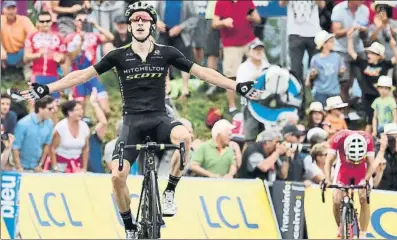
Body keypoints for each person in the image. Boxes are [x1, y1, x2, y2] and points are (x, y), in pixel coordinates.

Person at [20, 2, 260, 238]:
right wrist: (47, 88)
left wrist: (237, 85)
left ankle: (169, 192)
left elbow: (204, 72)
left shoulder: (167, 53)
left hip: (160, 119)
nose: (140, 23)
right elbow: (82, 75)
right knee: (116, 176)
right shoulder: (118, 56)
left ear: (152, 25)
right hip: (131, 123)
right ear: (131, 27)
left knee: (185, 137)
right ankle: (129, 226)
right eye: (135, 20)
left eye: (144, 19)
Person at [322, 130, 378, 238]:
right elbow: (328, 162)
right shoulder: (338, 138)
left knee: (364, 197)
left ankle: (363, 233)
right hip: (344, 169)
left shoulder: (368, 139)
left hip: (362, 170)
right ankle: (340, 227)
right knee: (336, 199)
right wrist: (328, 180)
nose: (354, 162)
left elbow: (372, 164)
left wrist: (365, 180)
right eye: (352, 159)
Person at [213, 0, 261, 114]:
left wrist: (253, 18)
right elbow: (214, 23)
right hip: (231, 44)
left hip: (249, 41)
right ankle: (232, 107)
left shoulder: (247, 1)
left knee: (263, 69)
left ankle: (261, 100)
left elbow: (258, 18)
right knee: (231, 76)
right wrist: (223, 22)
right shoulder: (221, 2)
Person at [347, 31, 397, 133]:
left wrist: (393, 47)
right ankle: (369, 139)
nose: (369, 55)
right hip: (367, 96)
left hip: (380, 96)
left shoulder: (384, 65)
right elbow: (351, 51)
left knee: (381, 118)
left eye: (372, 53)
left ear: (379, 56)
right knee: (369, 120)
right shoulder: (363, 63)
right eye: (369, 53)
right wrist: (350, 39)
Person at [66, 9, 114, 115]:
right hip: (77, 77)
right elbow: (71, 57)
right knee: (79, 113)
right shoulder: (70, 37)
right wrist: (81, 42)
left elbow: (111, 37)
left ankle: (101, 128)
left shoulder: (93, 35)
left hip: (92, 75)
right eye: (79, 20)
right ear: (75, 22)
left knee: (106, 111)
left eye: (85, 20)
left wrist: (96, 25)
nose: (82, 22)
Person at [369, 2, 397, 110]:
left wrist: (387, 25)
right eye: (380, 9)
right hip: (384, 63)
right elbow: (370, 40)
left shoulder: (395, 23)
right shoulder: (372, 26)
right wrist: (379, 27)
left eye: (384, 9)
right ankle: (389, 114)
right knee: (386, 92)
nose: (382, 12)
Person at [24, 11, 66, 100]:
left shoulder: (58, 37)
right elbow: (26, 57)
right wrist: (38, 55)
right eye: (42, 21)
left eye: (47, 21)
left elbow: (64, 58)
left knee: (54, 104)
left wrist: (60, 58)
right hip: (37, 75)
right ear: (38, 22)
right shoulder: (32, 36)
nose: (45, 24)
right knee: (35, 102)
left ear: (51, 22)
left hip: (53, 75)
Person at [236, 39, 270, 145]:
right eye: (256, 49)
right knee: (250, 138)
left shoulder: (268, 66)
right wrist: (254, 77)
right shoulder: (243, 68)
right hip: (249, 105)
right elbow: (238, 87)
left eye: (260, 49)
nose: (259, 52)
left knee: (266, 137)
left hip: (266, 105)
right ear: (250, 51)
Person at [12, 96, 54, 172]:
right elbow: (15, 147)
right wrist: (19, 167)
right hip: (19, 168)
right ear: (40, 109)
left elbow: (47, 145)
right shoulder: (23, 124)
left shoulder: (50, 124)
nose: (53, 111)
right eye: (50, 109)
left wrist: (40, 164)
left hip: (36, 168)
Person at [46, 100, 90, 173]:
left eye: (81, 109)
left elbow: (86, 148)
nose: (81, 112)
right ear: (70, 113)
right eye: (78, 110)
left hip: (76, 166)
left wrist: (84, 168)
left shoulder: (84, 126)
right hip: (59, 166)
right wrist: (55, 167)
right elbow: (52, 149)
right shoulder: (60, 127)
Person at [307, 30, 345, 107]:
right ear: (324, 44)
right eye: (330, 41)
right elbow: (311, 75)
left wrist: (341, 72)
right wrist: (313, 74)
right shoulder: (316, 59)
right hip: (320, 92)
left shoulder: (337, 57)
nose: (333, 43)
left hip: (334, 91)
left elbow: (340, 74)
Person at [1, 0, 36, 75]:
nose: (11, 11)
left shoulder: (24, 20)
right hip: (4, 55)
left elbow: (34, 35)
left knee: (33, 48)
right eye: (8, 8)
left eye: (13, 8)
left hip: (21, 54)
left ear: (16, 9)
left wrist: (28, 48)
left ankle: (29, 72)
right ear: (3, 10)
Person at [85, 88, 108, 173]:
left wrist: (94, 104)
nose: (88, 128)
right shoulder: (76, 139)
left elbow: (103, 122)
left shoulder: (95, 137)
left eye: (89, 126)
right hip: (80, 173)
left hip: (97, 174)